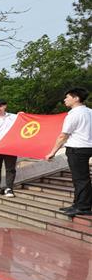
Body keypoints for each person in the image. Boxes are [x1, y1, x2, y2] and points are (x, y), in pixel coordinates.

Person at [45, 87, 92, 216]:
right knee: (82, 178)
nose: (65, 100)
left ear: (76, 98)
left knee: (80, 179)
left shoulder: (73, 115)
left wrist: (52, 152)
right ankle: (77, 204)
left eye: (67, 97)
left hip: (77, 149)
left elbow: (63, 136)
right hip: (88, 147)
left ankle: (83, 207)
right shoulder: (90, 112)